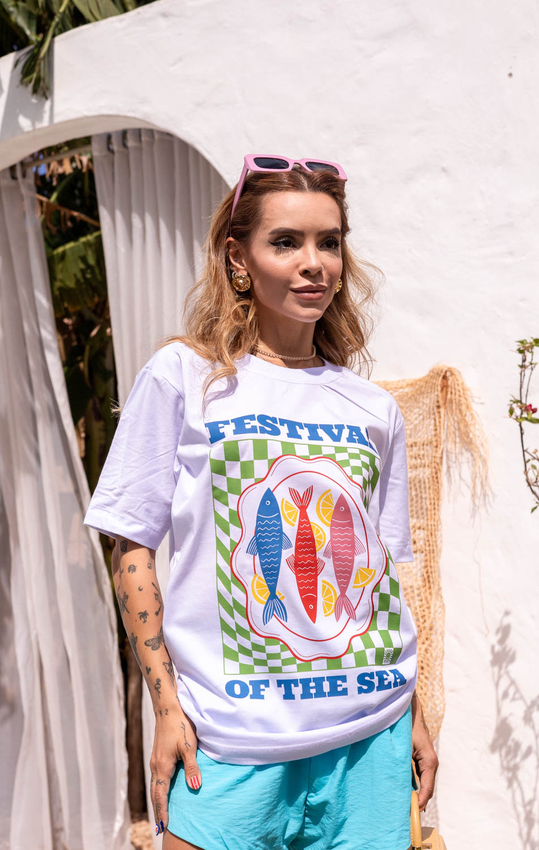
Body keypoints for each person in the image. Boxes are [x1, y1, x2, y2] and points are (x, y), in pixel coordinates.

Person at [84, 154, 438, 850]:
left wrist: (415, 710)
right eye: (286, 242)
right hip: (229, 736)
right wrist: (165, 706)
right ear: (237, 258)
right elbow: (131, 546)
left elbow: (379, 583)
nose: (314, 264)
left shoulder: (372, 409)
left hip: (372, 734)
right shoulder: (186, 377)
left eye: (329, 242)